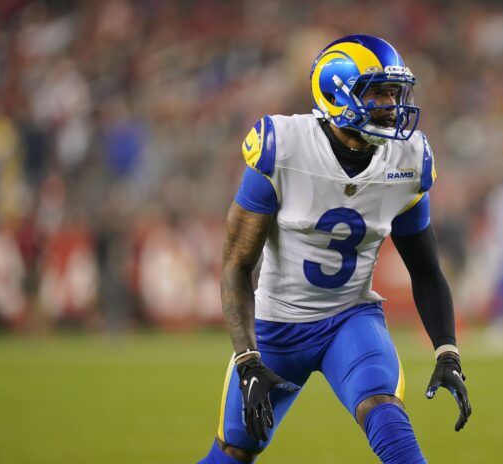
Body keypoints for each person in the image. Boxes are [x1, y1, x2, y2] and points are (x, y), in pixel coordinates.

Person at [199, 34, 471, 464]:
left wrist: (446, 348)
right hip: (276, 328)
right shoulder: (283, 146)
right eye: (379, 92)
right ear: (336, 91)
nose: (392, 104)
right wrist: (248, 360)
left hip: (350, 318)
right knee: (234, 452)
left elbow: (426, 270)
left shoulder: (406, 159)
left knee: (383, 410)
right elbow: (236, 264)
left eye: (394, 92)